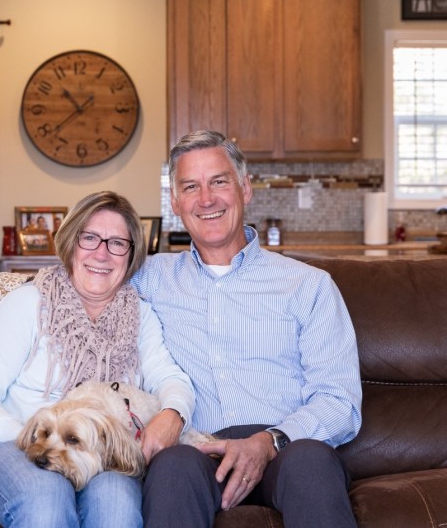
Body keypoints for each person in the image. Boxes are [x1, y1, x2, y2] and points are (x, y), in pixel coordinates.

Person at [135, 130, 362, 527]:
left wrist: (268, 442)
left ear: (245, 189)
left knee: (310, 461)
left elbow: (340, 402)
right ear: (175, 202)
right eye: (191, 186)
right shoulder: (151, 277)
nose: (206, 199)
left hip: (286, 449)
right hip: (195, 448)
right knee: (171, 467)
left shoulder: (308, 285)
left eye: (219, 181)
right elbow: (69, 285)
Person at [0, 191, 196, 528]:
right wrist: (33, 440)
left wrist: (173, 413)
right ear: (70, 243)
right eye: (90, 238)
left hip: (98, 460)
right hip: (8, 450)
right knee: (47, 498)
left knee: (117, 508)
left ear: (131, 255)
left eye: (117, 243)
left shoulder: (141, 315)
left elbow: (170, 378)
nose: (101, 253)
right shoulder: (27, 303)